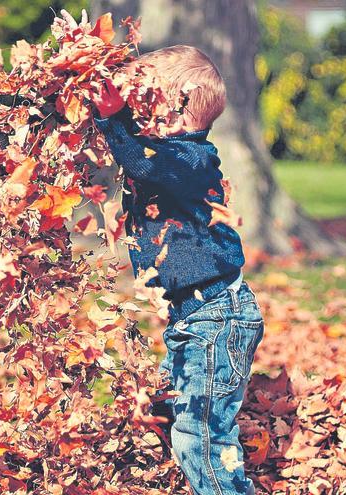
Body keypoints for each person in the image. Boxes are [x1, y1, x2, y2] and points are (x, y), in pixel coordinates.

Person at [95, 45, 265, 495]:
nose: (134, 114)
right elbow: (142, 159)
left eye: (142, 104)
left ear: (177, 110)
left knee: (202, 434)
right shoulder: (170, 157)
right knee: (175, 411)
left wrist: (112, 119)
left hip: (217, 317)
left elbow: (142, 164)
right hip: (193, 317)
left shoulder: (191, 160)